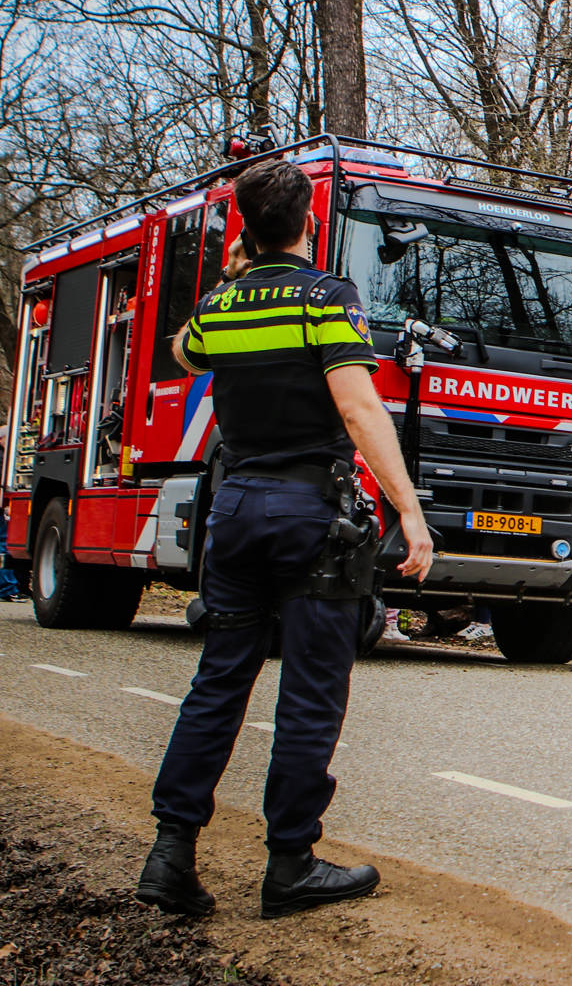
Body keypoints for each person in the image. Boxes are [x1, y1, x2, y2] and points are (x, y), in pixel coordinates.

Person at [135, 159, 433, 921]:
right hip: (312, 517)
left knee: (218, 683)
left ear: (243, 227)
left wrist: (237, 274)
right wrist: (409, 512)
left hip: (232, 513)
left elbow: (184, 351)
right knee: (309, 692)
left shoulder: (222, 305)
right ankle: (290, 864)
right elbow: (362, 413)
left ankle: (171, 853)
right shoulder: (328, 300)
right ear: (312, 225)